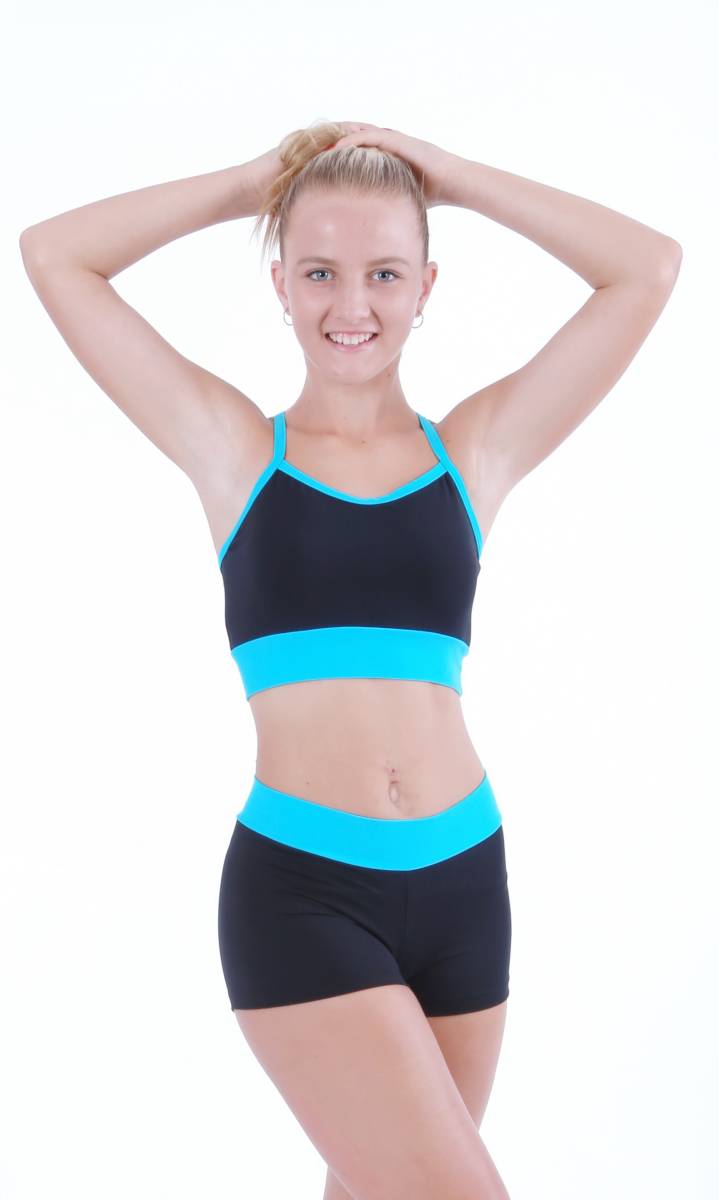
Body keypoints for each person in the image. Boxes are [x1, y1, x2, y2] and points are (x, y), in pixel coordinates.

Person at [19, 119, 681, 1200]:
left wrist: (451, 177)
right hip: (304, 893)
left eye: (385, 272)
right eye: (320, 271)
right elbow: (55, 254)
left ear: (428, 286)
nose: (353, 304)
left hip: (466, 882)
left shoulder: (473, 452)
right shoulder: (237, 451)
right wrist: (253, 185)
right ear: (280, 284)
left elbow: (645, 269)